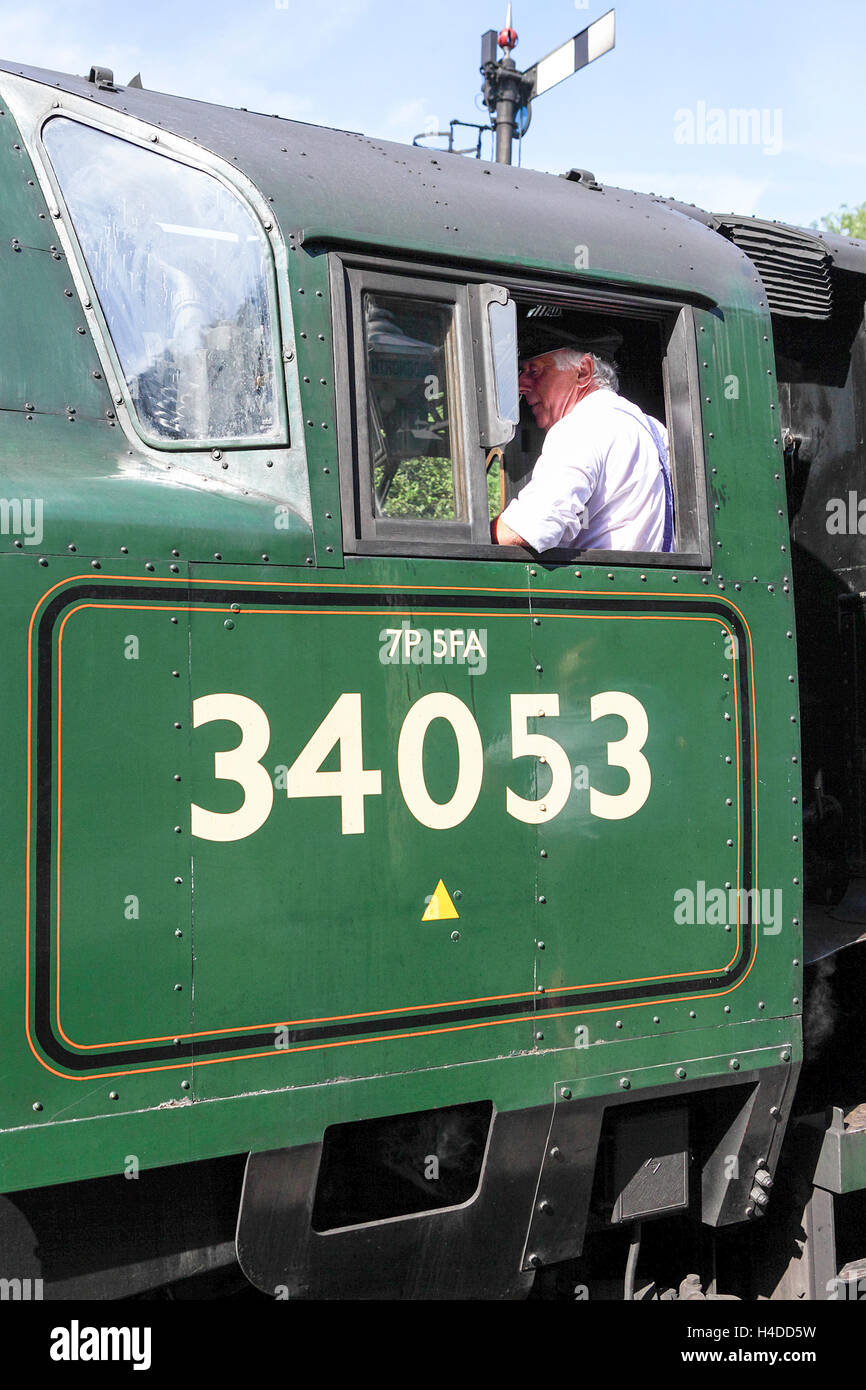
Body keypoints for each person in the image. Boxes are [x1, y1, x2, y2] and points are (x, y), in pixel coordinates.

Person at [492, 323, 674, 553]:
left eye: (534, 371)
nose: (521, 385)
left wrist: (474, 536)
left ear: (583, 371)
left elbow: (534, 525)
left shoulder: (582, 425)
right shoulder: (654, 429)